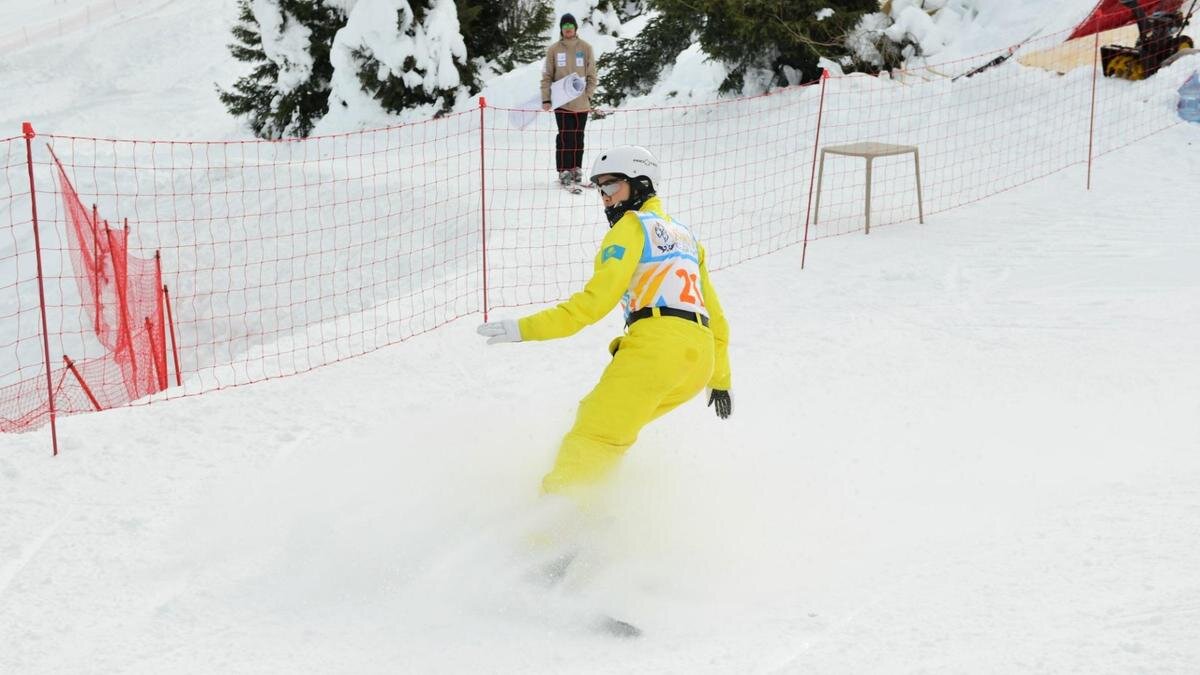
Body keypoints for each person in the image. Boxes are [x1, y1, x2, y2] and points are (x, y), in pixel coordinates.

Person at [477, 146, 732, 504]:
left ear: (640, 184)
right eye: (600, 190)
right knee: (612, 433)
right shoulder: (686, 237)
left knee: (593, 436)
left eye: (611, 187)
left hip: (656, 352)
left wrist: (524, 329)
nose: (605, 198)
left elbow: (592, 304)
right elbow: (716, 317)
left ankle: (553, 535)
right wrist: (719, 378)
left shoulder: (631, 228)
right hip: (696, 363)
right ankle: (594, 514)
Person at [540, 13, 597, 188]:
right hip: (561, 102)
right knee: (565, 136)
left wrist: (588, 95)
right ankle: (563, 169)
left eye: (570, 26)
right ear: (561, 30)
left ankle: (575, 168)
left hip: (581, 104)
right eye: (564, 27)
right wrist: (546, 98)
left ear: (575, 28)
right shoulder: (554, 49)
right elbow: (547, 75)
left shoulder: (586, 48)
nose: (568, 30)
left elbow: (592, 75)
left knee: (578, 137)